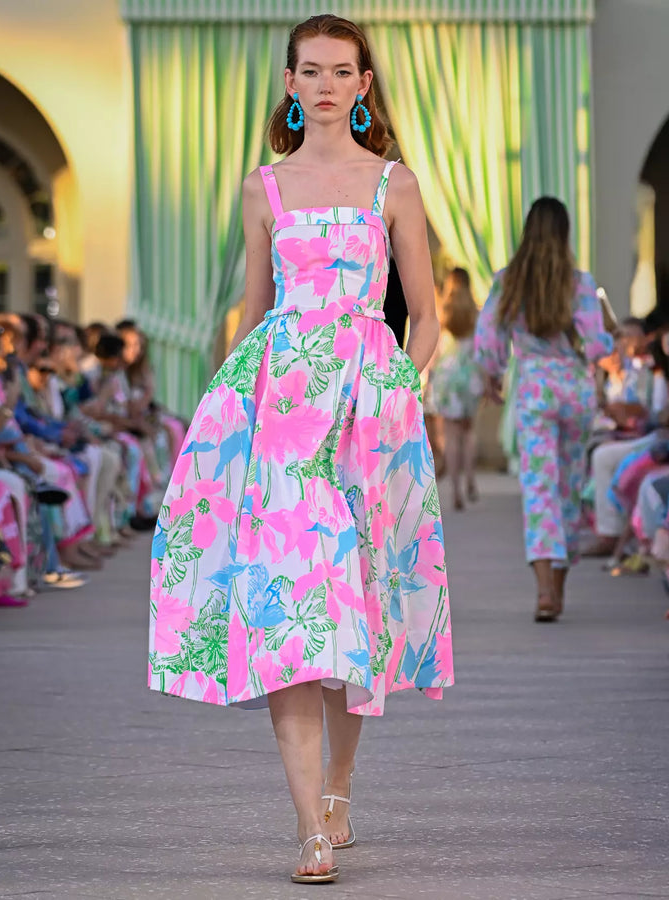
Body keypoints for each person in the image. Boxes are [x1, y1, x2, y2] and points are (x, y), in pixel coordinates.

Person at [148, 13, 453, 885]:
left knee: (353, 613)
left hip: (367, 418)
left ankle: (339, 793)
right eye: (309, 70)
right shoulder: (263, 189)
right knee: (289, 616)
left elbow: (425, 313)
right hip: (278, 421)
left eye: (341, 70)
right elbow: (251, 314)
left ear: (363, 85)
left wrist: (405, 382)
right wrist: (224, 421)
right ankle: (308, 831)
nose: (324, 84)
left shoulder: (393, 183)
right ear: (289, 83)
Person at [475, 197, 613, 622]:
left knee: (539, 490)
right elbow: (595, 344)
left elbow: (488, 339)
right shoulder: (581, 283)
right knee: (569, 488)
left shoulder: (508, 281)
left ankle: (543, 594)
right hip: (574, 391)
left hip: (534, 391)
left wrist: (493, 373)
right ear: (564, 234)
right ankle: (560, 587)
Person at [432, 267, 483, 510]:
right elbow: (482, 349)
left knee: (450, 436)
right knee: (469, 431)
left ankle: (455, 490)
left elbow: (435, 349)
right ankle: (471, 478)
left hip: (447, 376)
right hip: (470, 375)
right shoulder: (476, 313)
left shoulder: (442, 312)